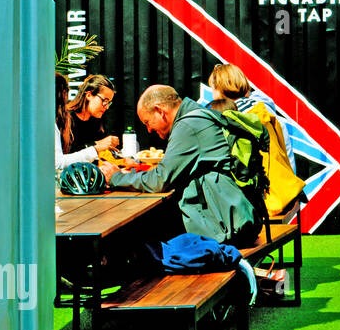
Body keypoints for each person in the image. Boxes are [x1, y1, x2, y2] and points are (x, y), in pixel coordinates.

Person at [98, 85, 259, 247]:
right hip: (231, 218)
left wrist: (116, 177)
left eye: (147, 122)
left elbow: (159, 181)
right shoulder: (197, 116)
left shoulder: (188, 126)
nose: (148, 130)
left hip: (221, 229)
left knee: (132, 236)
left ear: (160, 111)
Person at [66, 74, 121, 159]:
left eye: (109, 102)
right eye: (104, 101)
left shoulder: (96, 120)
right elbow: (65, 155)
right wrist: (98, 144)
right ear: (89, 95)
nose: (106, 107)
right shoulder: (67, 118)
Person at [55, 72, 101, 169]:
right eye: (104, 100)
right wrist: (95, 149)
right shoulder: (65, 119)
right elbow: (58, 163)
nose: (106, 107)